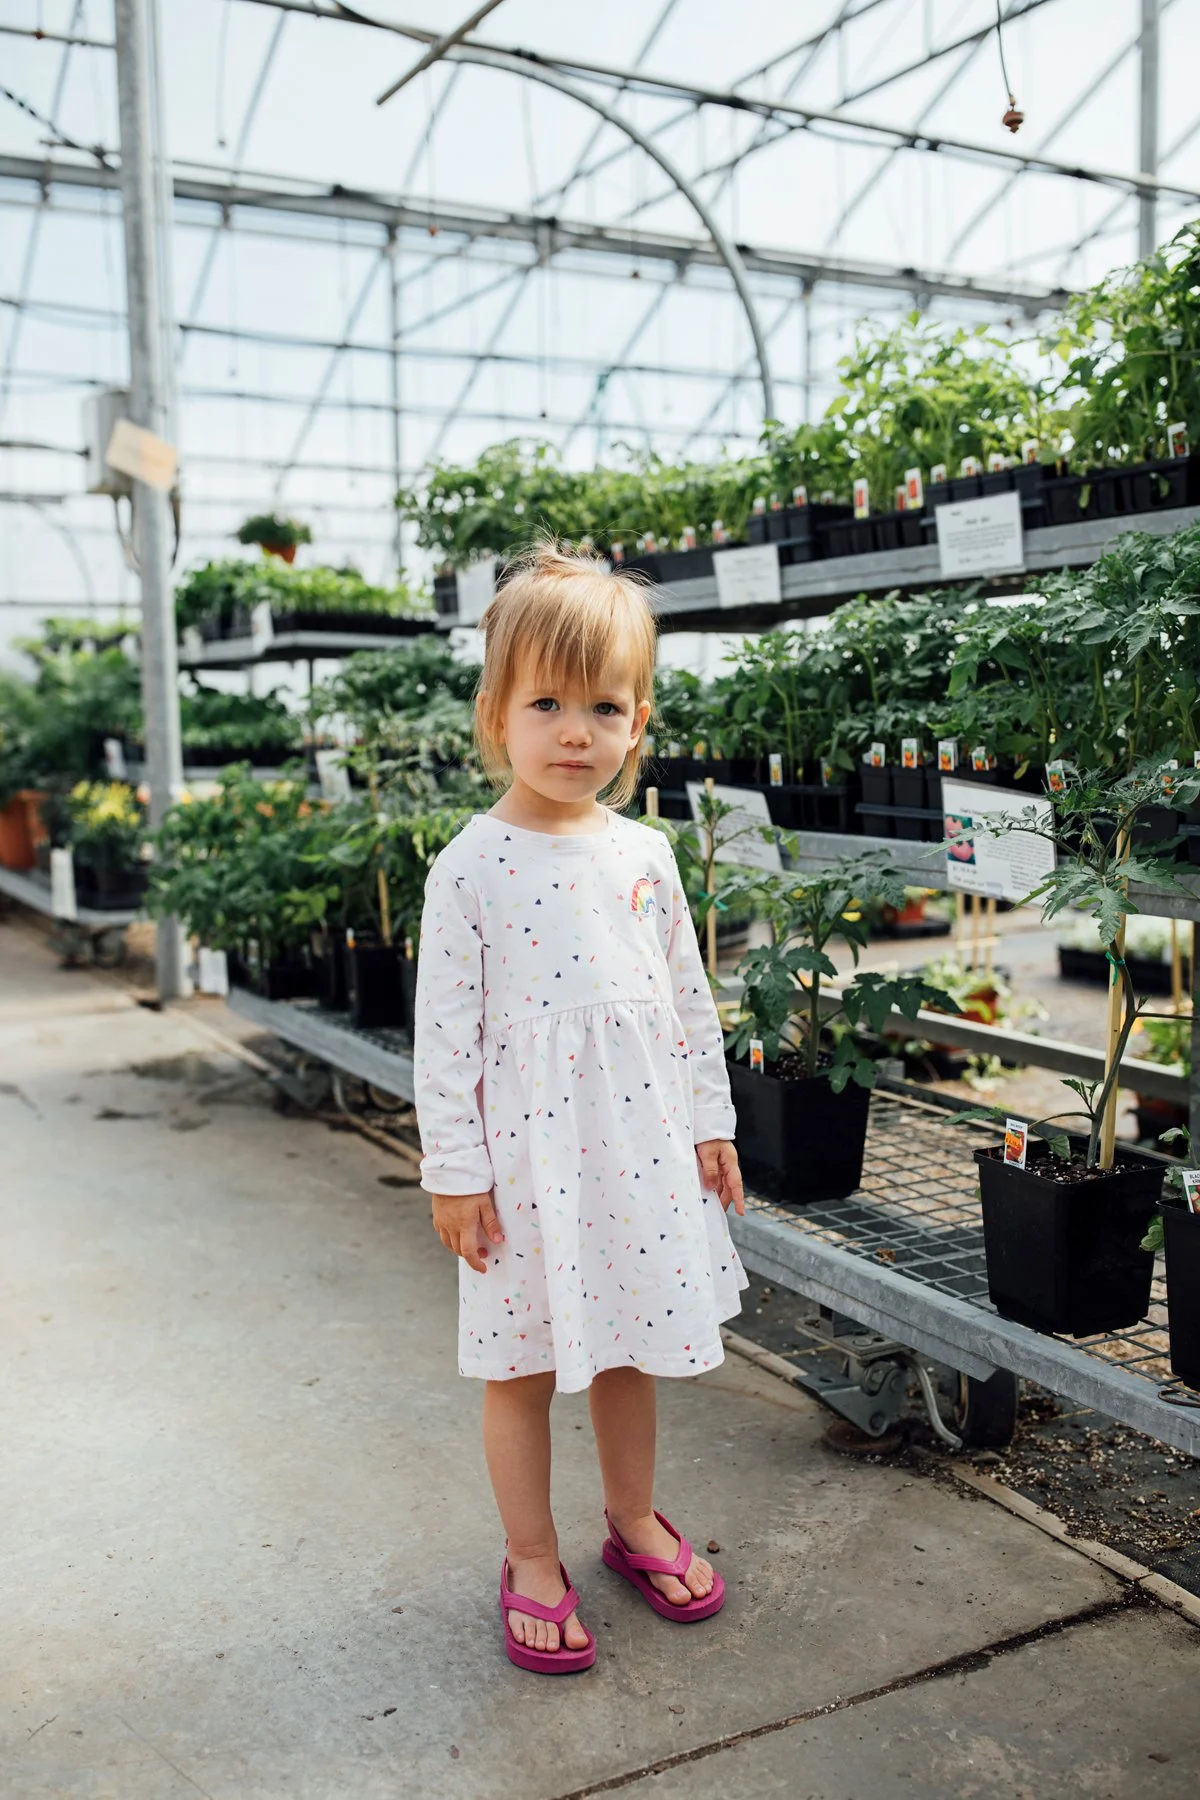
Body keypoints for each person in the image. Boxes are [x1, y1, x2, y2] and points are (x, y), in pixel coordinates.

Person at [413, 542, 747, 1675]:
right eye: (546, 704)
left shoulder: (646, 853)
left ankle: (633, 1518)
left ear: (637, 723)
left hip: (635, 1155)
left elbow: (687, 1003)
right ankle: (531, 1554)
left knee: (627, 1350)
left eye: (603, 707)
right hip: (523, 1173)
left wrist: (711, 1122)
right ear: (494, 714)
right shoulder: (472, 868)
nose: (575, 732)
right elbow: (445, 1041)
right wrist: (455, 1173)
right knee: (518, 1367)